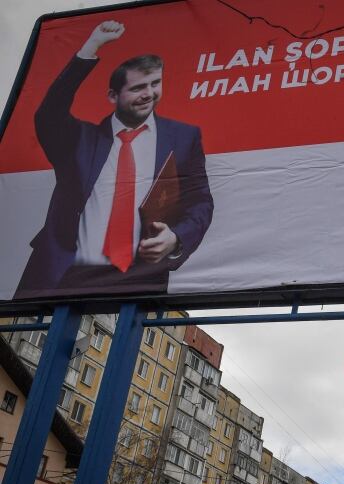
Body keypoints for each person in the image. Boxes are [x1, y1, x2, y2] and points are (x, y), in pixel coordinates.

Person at [15, 20, 213, 299]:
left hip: (137, 280)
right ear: (112, 95)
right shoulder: (78, 138)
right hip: (61, 276)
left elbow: (200, 201)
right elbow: (49, 114)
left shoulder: (183, 138)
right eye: (138, 87)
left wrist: (176, 238)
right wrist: (89, 49)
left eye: (155, 83)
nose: (148, 94)